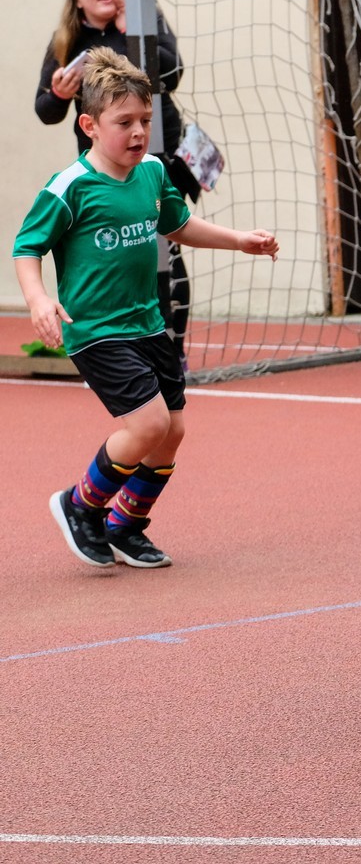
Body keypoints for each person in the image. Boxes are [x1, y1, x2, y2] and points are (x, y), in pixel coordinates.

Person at [15, 48, 279, 570]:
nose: (138, 132)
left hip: (148, 323)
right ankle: (80, 505)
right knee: (148, 424)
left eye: (145, 120)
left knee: (172, 432)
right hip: (96, 330)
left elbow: (178, 225)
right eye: (124, 123)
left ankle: (125, 524)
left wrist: (238, 240)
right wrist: (39, 298)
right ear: (90, 126)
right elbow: (27, 247)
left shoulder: (153, 172)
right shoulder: (71, 187)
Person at [34, 0, 200, 359]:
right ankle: (115, 341)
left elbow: (173, 72)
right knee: (121, 247)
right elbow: (45, 111)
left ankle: (173, 348)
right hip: (105, 167)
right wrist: (59, 94)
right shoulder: (67, 41)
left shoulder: (144, 18)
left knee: (165, 243)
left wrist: (132, 31)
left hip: (160, 152)